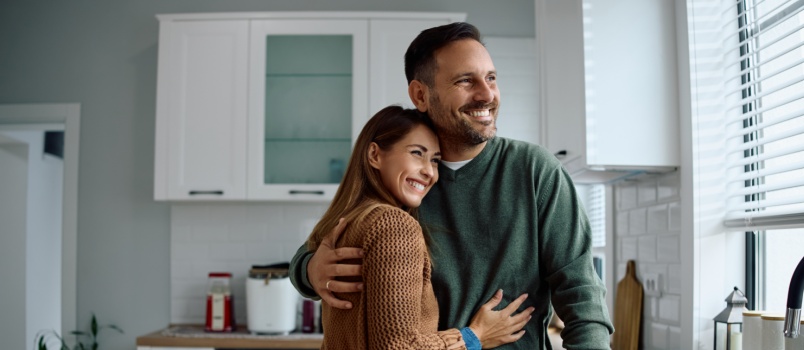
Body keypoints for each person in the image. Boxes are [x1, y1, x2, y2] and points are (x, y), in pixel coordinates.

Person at [291, 22, 614, 349]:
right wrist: (309, 269)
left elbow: (581, 295)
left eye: (491, 78)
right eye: (465, 81)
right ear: (420, 94)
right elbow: (319, 248)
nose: (487, 95)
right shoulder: (404, 182)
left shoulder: (536, 171)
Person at [305, 105, 533, 349]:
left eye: (435, 160)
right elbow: (398, 347)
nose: (429, 172)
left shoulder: (345, 223)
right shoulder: (393, 225)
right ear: (374, 155)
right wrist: (473, 337)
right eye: (416, 153)